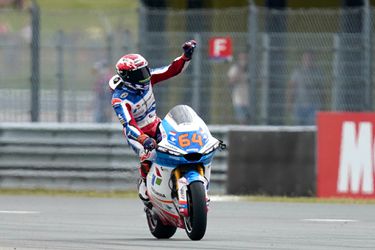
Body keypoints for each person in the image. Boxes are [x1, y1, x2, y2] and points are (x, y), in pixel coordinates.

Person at [108, 40, 196, 206]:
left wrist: (186, 57)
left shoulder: (148, 79)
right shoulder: (120, 99)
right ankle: (144, 182)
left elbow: (171, 70)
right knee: (149, 154)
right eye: (139, 73)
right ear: (127, 77)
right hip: (138, 133)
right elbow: (128, 125)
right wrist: (143, 139)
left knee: (178, 143)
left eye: (145, 70)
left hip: (156, 124)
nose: (145, 75)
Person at [287, 51, 323, 125]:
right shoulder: (297, 72)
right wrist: (289, 102)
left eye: (311, 58)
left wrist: (323, 105)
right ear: (303, 60)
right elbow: (291, 88)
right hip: (299, 105)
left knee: (311, 130)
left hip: (313, 106)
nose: (309, 60)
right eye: (306, 58)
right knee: (297, 130)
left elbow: (322, 90)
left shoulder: (318, 73)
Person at [227, 52, 250, 124]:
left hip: (249, 97)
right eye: (241, 58)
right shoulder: (235, 69)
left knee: (249, 117)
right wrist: (239, 71)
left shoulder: (251, 69)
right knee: (241, 116)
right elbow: (231, 82)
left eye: (245, 58)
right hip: (238, 97)